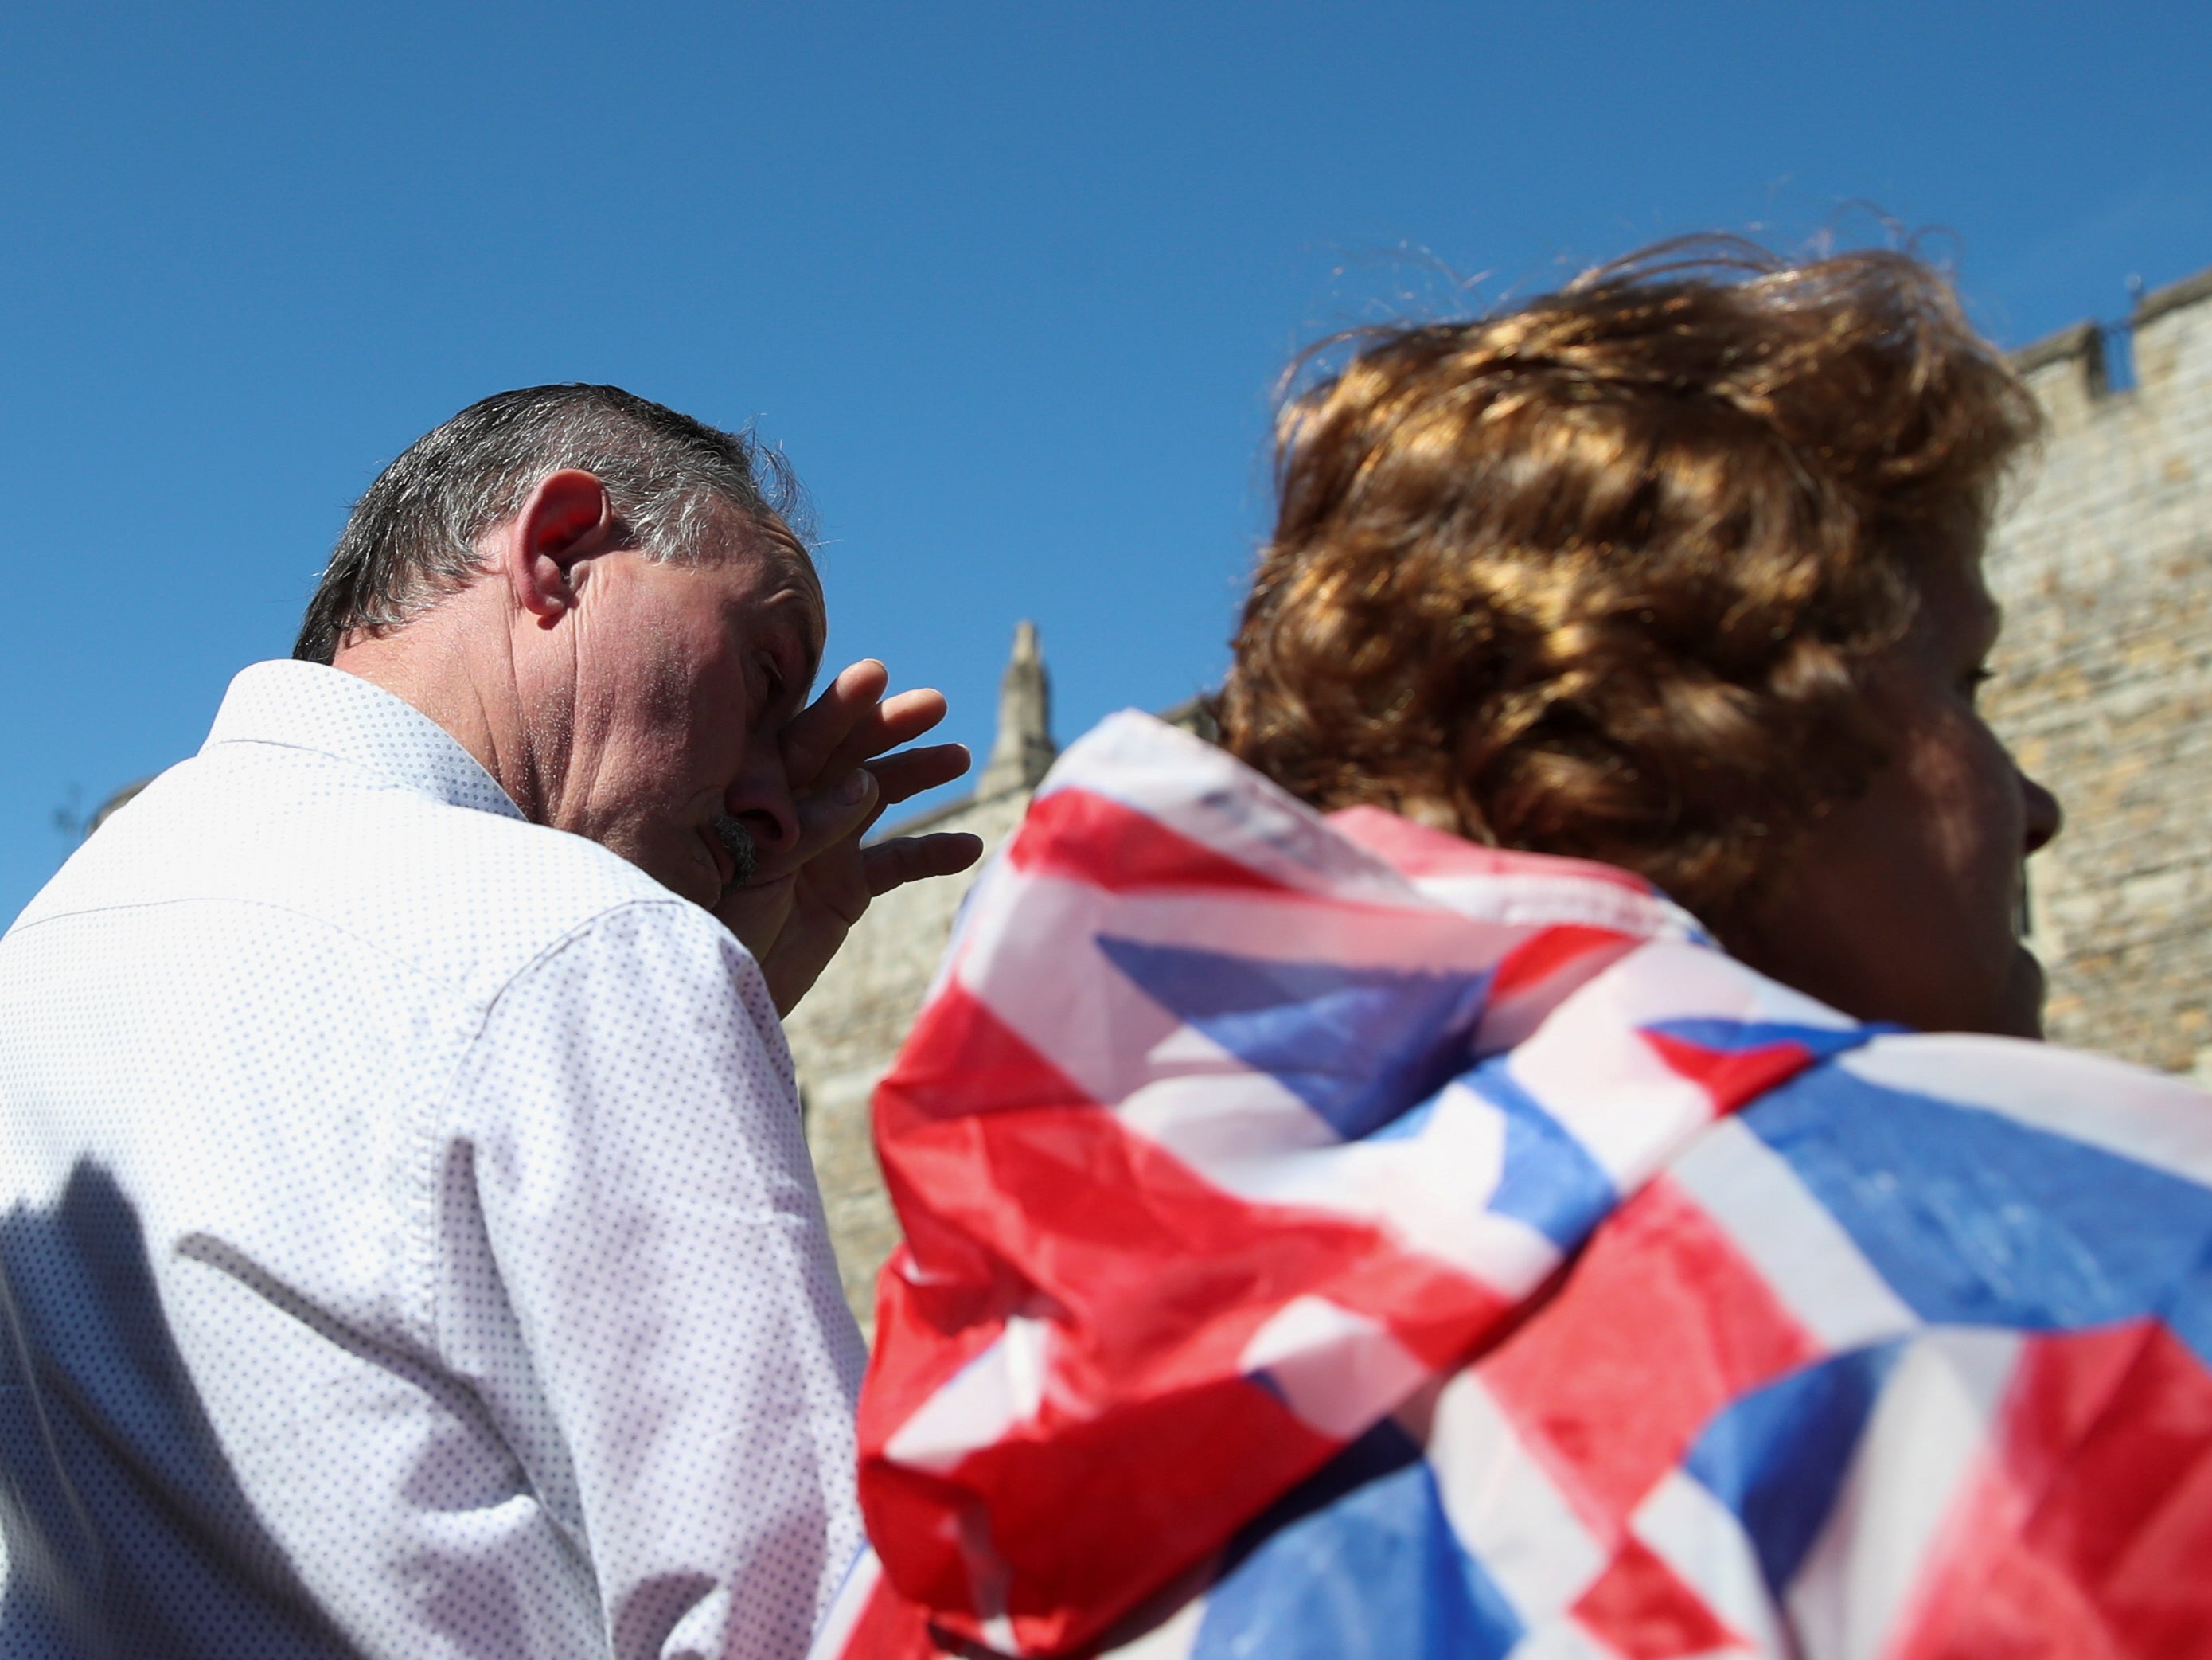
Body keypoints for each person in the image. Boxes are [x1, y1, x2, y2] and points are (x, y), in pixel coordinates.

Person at [814, 244, 2212, 1659]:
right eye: (1966, 686)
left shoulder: (973, 1509)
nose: (2036, 804)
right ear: (1750, 710)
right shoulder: (2100, 1282)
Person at [0, 385, 981, 1659]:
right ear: (561, 549)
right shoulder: (578, 945)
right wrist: (654, 982)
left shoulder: (50, 950)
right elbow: (809, 1624)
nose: (776, 805)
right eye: (763, 670)